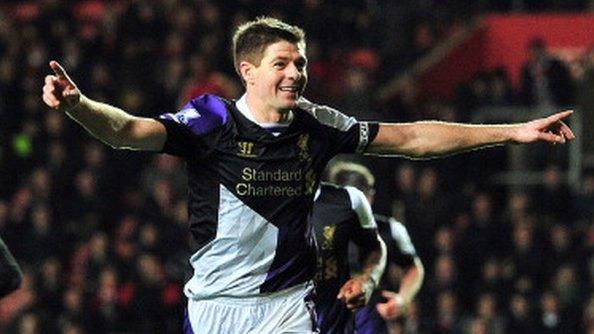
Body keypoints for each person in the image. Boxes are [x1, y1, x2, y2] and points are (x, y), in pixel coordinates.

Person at [42, 16, 574, 334]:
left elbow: (410, 138)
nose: (296, 73)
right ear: (248, 72)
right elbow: (129, 131)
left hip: (288, 308)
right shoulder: (211, 120)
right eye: (282, 63)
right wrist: (79, 105)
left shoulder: (318, 124)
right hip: (214, 309)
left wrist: (512, 131)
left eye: (300, 63)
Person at [327, 162, 424, 333]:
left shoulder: (391, 230)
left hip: (370, 321)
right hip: (326, 317)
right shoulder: (315, 228)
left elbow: (413, 268)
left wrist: (402, 299)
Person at [310, 172, 387, 333]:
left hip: (334, 323)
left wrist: (368, 281)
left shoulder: (348, 201)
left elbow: (375, 247)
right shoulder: (256, 203)